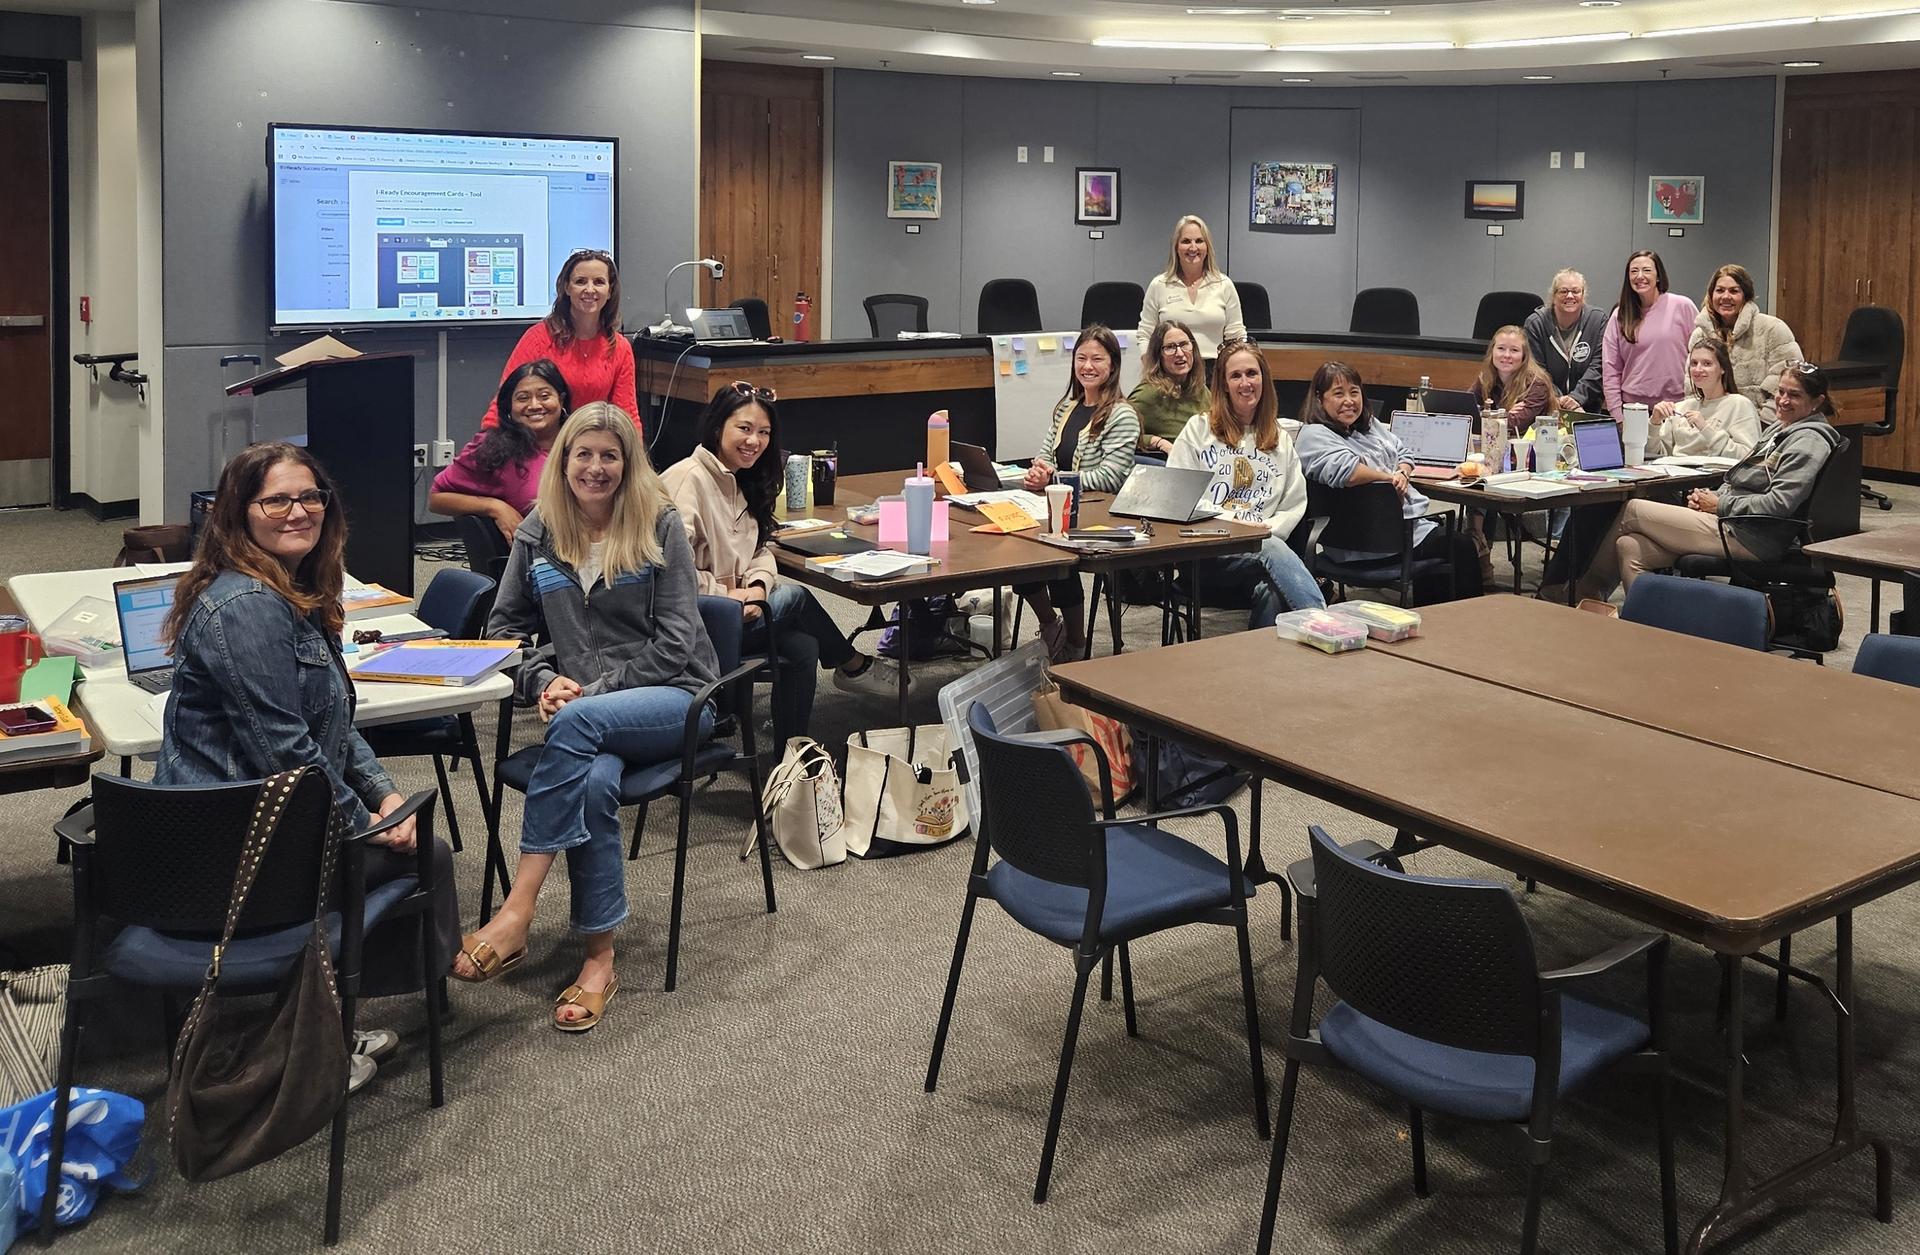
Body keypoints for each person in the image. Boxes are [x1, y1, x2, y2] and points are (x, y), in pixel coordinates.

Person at [156, 442, 457, 1093]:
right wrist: (364, 824)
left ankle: (321, 1021)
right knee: (424, 857)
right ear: (240, 513)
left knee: (414, 840)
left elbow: (334, 726)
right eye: (278, 499)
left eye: (311, 496)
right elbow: (285, 749)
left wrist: (380, 796)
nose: (299, 510)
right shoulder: (246, 609)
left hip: (257, 823)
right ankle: (312, 1040)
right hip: (234, 850)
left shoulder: (290, 590)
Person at [456, 403, 718, 1033]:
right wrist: (543, 680)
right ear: (564, 461)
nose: (595, 468)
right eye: (584, 455)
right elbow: (504, 634)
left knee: (576, 727)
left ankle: (517, 910)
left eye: (610, 456)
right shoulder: (540, 531)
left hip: (677, 698)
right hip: (587, 714)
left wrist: (587, 694)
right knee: (593, 780)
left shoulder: (659, 524)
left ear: (628, 465)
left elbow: (678, 642)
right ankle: (598, 957)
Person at [659, 380, 898, 745]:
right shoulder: (687, 480)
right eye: (744, 428)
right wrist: (727, 594)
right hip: (697, 621)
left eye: (763, 432)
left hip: (735, 610)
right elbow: (666, 573)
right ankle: (852, 664)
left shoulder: (739, 481)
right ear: (716, 426)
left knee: (803, 646)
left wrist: (755, 588)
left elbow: (760, 551)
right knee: (795, 599)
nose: (754, 440)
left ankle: (791, 759)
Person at [1572, 363, 1845, 600]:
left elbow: (1779, 504)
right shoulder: (1781, 427)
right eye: (1781, 391)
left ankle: (1580, 593)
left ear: (1817, 402)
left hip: (1750, 536)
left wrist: (1719, 504)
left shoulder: (1809, 441)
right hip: (1732, 522)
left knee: (1633, 510)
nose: (1783, 400)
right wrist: (1710, 497)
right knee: (1629, 546)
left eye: (1794, 395)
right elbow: (1743, 477)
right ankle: (1650, 624)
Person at [1167, 339, 1325, 628]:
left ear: (1263, 378)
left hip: (1264, 554)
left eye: (1252, 374)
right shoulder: (1199, 430)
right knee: (1270, 547)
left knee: (1272, 591)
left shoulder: (1279, 438)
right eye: (1236, 375)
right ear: (1224, 384)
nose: (1245, 383)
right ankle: (1325, 626)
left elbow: (1293, 504)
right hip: (1208, 554)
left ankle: (1260, 670)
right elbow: (1178, 495)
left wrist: (1266, 530)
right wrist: (1240, 528)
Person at [1296, 362, 1482, 603]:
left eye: (1354, 392)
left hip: (1396, 531)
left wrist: (1403, 473)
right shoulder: (1314, 435)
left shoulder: (1369, 426)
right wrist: (1388, 478)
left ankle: (1436, 620)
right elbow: (1347, 472)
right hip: (1361, 540)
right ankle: (1467, 623)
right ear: (1320, 399)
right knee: (1461, 546)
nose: (1349, 400)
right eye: (1338, 393)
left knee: (1443, 539)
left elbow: (1404, 452)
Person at [1015, 324, 1140, 661]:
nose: (1088, 366)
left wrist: (1055, 476)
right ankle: (1050, 624)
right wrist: (1038, 472)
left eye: (1097, 359)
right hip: (1059, 506)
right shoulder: (1066, 408)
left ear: (1112, 365)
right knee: (1015, 545)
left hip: (1099, 516)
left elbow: (1111, 477)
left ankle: (1075, 641)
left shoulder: (1122, 415)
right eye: (1081, 358)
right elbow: (1045, 456)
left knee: (1057, 551)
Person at [480, 248, 637, 432]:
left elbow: (627, 415)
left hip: (589, 448)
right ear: (567, 288)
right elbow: (505, 400)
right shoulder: (538, 338)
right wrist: (486, 446)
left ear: (610, 291)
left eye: (599, 282)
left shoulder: (619, 347)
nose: (589, 289)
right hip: (540, 446)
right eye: (580, 281)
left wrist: (636, 456)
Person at [430, 359, 569, 539]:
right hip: (541, 558)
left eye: (544, 396)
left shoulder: (583, 441)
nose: (535, 405)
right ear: (509, 407)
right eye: (523, 398)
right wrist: (494, 507)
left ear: (561, 399)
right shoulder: (495, 449)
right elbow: (437, 498)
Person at [1466, 327, 1559, 580]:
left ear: (1524, 355)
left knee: (1481, 483)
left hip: (1530, 463)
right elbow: (1466, 412)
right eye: (1501, 349)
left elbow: (1517, 423)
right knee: (1474, 483)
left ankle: (1479, 553)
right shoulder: (1485, 378)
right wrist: (1502, 415)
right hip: (1494, 459)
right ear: (1492, 351)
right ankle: (1478, 550)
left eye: (1514, 350)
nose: (1506, 355)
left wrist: (1497, 416)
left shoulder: (1536, 383)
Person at [1689, 263, 1803, 422]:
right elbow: (1692, 388)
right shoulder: (1699, 335)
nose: (1726, 296)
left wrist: (1759, 425)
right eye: (1720, 290)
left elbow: (1788, 384)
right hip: (1711, 427)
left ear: (1746, 295)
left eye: (1734, 291)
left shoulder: (1773, 329)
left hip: (1763, 426)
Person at [1135, 215, 1246, 365]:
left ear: (1207, 247)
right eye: (1186, 241)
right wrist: (1151, 369)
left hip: (1214, 371)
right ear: (1176, 247)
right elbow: (1145, 334)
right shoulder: (1159, 285)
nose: (1193, 247)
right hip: (1172, 371)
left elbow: (1236, 336)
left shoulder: (1224, 284)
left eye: (1199, 241)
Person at [1602, 250, 1698, 420]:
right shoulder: (1620, 315)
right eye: (1633, 271)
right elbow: (1611, 370)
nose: (1640, 276)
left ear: (1658, 276)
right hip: (1634, 410)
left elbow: (1702, 355)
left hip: (1679, 408)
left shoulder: (1683, 306)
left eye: (1646, 270)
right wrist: (1618, 416)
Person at [1650, 341, 1764, 459]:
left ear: (1722, 368)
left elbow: (1748, 456)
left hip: (1715, 476)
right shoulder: (1680, 407)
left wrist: (1705, 428)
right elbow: (1655, 454)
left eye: (1707, 363)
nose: (1698, 369)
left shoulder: (1739, 404)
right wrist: (1655, 422)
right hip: (1675, 473)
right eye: (1694, 363)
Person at [1523, 268, 1608, 414]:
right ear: (1553, 295)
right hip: (1546, 407)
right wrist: (1557, 400)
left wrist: (1576, 398)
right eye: (1563, 291)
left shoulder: (1598, 320)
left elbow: (1598, 366)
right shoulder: (1535, 324)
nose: (1570, 296)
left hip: (1587, 408)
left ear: (1583, 294)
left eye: (1576, 291)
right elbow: (1537, 371)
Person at [1128, 319, 1212, 456]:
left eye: (1185, 345)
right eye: (1170, 347)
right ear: (1158, 355)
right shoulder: (1148, 393)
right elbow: (1117, 433)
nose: (1179, 353)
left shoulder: (1201, 390)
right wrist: (1158, 442)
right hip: (1172, 468)